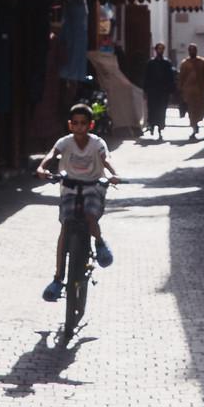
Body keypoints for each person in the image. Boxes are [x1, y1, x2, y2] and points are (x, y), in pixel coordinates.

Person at [37, 102, 118, 302]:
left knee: (90, 217)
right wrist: (42, 168)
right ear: (70, 125)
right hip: (70, 190)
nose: (79, 127)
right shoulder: (64, 142)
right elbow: (52, 154)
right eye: (75, 123)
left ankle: (99, 242)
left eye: (83, 123)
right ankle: (58, 279)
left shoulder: (97, 143)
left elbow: (106, 159)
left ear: (90, 125)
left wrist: (113, 174)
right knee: (65, 228)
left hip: (93, 188)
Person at [142, 44, 175, 140]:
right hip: (152, 91)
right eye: (159, 49)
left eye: (162, 49)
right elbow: (146, 77)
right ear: (156, 50)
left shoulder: (167, 63)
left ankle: (160, 127)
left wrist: (171, 90)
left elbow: (170, 78)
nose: (160, 51)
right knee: (152, 109)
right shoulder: (151, 63)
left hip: (163, 91)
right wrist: (145, 90)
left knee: (162, 110)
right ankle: (152, 125)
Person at [177, 45, 204, 141]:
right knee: (191, 110)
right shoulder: (185, 63)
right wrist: (180, 89)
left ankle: (196, 123)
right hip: (188, 90)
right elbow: (181, 77)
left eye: (193, 50)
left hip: (199, 90)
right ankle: (194, 126)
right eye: (190, 50)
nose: (192, 52)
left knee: (200, 108)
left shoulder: (202, 62)